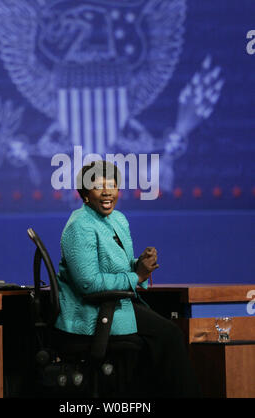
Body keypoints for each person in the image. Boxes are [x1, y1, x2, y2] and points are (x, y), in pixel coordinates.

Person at [54, 160, 200, 398]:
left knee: (162, 339)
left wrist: (138, 264)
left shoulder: (118, 220)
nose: (107, 192)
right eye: (98, 186)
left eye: (112, 185)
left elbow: (116, 267)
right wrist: (137, 276)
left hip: (118, 306)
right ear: (84, 194)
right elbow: (88, 284)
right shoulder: (79, 226)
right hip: (94, 313)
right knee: (170, 336)